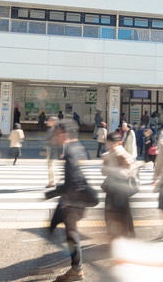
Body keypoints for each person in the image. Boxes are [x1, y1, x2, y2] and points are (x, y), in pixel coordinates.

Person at [49, 119, 90, 282]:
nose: (55, 136)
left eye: (57, 133)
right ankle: (76, 269)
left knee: (72, 236)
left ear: (64, 134)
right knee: (72, 235)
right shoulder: (78, 147)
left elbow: (74, 179)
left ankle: (76, 270)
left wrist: (62, 196)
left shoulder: (70, 152)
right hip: (77, 201)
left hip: (73, 202)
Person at [101, 131, 136, 240]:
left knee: (119, 213)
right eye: (108, 143)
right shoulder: (108, 154)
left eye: (111, 143)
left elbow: (131, 171)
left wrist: (113, 170)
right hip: (113, 187)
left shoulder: (122, 154)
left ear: (118, 143)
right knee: (116, 212)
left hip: (120, 188)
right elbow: (103, 171)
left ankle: (121, 235)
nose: (109, 145)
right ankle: (119, 234)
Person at [44, 116, 62, 188]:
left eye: (50, 120)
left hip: (52, 149)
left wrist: (60, 151)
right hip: (51, 148)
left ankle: (51, 182)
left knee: (50, 166)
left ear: (54, 122)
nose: (48, 121)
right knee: (51, 165)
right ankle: (56, 178)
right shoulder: (52, 129)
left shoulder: (55, 130)